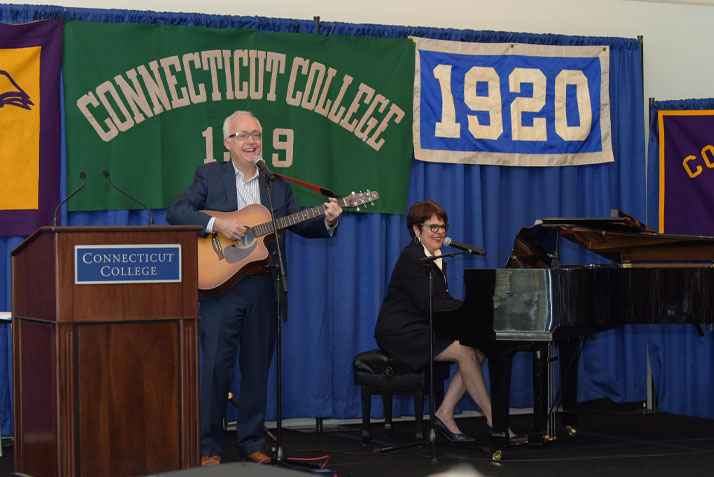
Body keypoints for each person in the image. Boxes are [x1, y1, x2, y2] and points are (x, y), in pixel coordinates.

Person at [167, 110, 342, 466]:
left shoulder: (275, 184)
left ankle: (251, 442)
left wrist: (326, 219)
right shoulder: (209, 175)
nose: (251, 141)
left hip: (264, 286)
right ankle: (209, 447)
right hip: (220, 290)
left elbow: (297, 223)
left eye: (256, 135)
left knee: (257, 370)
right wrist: (218, 223)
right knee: (215, 369)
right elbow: (177, 211)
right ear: (228, 142)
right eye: (243, 135)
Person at [374, 200, 517, 442]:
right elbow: (427, 302)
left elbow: (441, 300)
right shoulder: (412, 257)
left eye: (443, 227)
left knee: (479, 349)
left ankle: (444, 413)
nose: (440, 232)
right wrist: (470, 309)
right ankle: (495, 421)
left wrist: (474, 309)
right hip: (400, 332)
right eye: (433, 227)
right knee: (465, 352)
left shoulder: (436, 256)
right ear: (416, 230)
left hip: (423, 326)